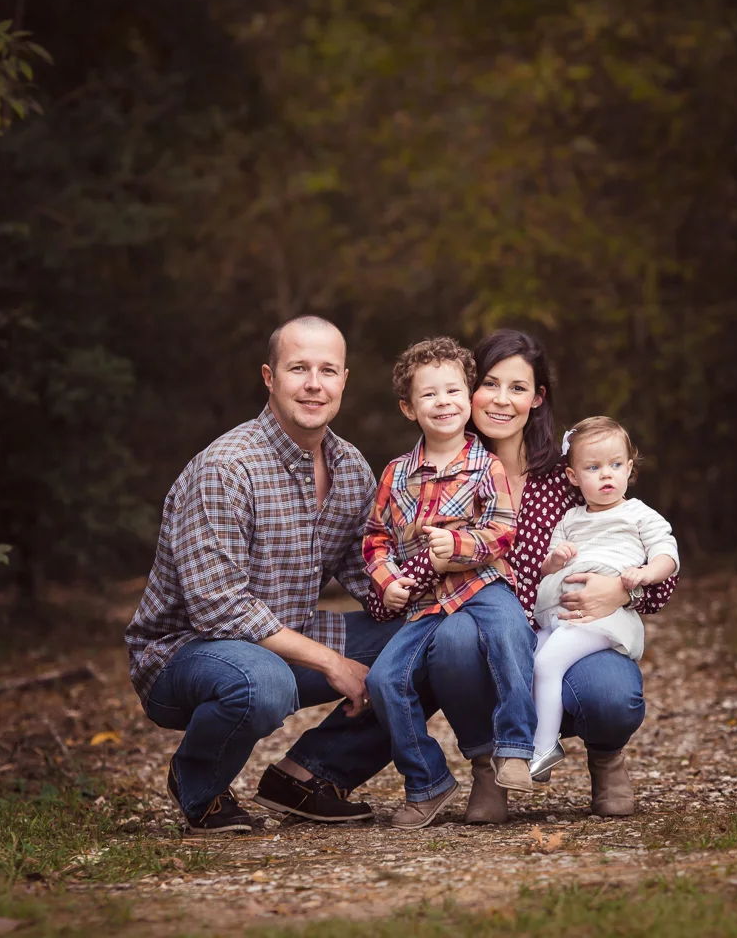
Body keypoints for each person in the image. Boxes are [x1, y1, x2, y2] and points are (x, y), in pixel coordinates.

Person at [363, 329, 679, 822]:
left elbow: (641, 542)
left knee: (612, 695)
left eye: (519, 387)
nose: (503, 400)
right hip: (485, 633)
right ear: (470, 391)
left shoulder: (572, 474)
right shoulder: (444, 477)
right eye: (491, 383)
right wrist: (411, 573)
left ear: (538, 398)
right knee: (454, 639)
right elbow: (393, 554)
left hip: (567, 628)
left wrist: (621, 591)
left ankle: (606, 755)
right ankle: (489, 766)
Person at [124, 316, 406, 834]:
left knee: (426, 643)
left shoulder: (350, 469)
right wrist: (333, 663)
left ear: (345, 379)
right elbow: (219, 609)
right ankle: (199, 783)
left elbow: (367, 573)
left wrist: (437, 593)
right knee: (262, 681)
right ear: (269, 377)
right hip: (185, 652)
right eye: (298, 368)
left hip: (286, 633)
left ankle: (308, 776)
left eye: (327, 370)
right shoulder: (227, 467)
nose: (314, 384)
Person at [362, 337, 537, 828]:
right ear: (408, 407)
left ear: (468, 397)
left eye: (454, 391)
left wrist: (459, 549)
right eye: (430, 395)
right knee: (383, 679)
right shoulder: (396, 474)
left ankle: (515, 748)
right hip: (423, 604)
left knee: (511, 634)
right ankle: (427, 782)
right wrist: (387, 580)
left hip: (483, 586)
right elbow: (375, 539)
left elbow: (504, 531)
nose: (444, 403)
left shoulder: (487, 465)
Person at [529, 416, 679, 777]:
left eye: (615, 465)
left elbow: (667, 556)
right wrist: (555, 559)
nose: (606, 475)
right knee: (528, 660)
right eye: (593, 468)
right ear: (573, 477)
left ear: (629, 468)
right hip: (558, 615)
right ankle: (521, 745)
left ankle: (543, 748)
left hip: (600, 618)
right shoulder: (569, 519)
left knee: (545, 666)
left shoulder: (638, 515)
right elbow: (546, 567)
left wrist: (644, 574)